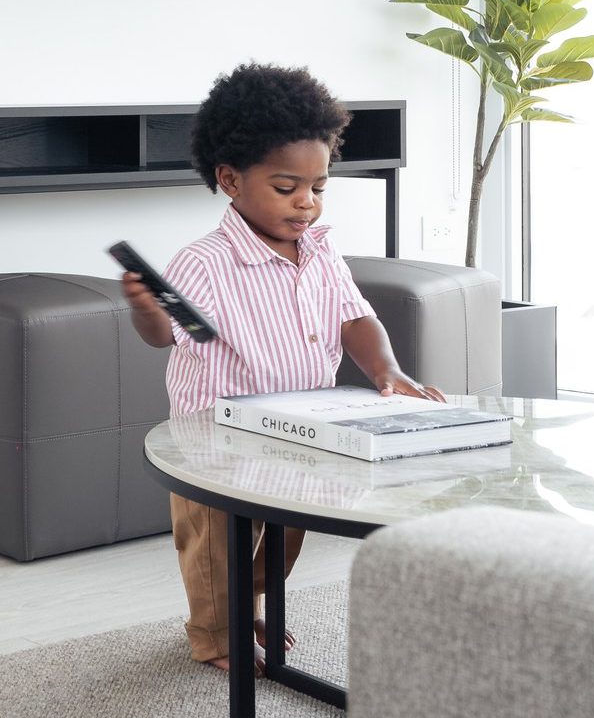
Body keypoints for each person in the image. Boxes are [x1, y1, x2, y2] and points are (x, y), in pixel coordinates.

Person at [120, 62, 439, 673]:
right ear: (231, 179)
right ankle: (215, 634)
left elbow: (355, 318)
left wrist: (387, 371)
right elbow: (171, 334)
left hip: (297, 429)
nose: (306, 203)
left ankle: (247, 605)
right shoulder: (206, 262)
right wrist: (145, 307)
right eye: (287, 186)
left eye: (319, 187)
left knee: (282, 538)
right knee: (216, 547)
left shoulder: (320, 251)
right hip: (215, 436)